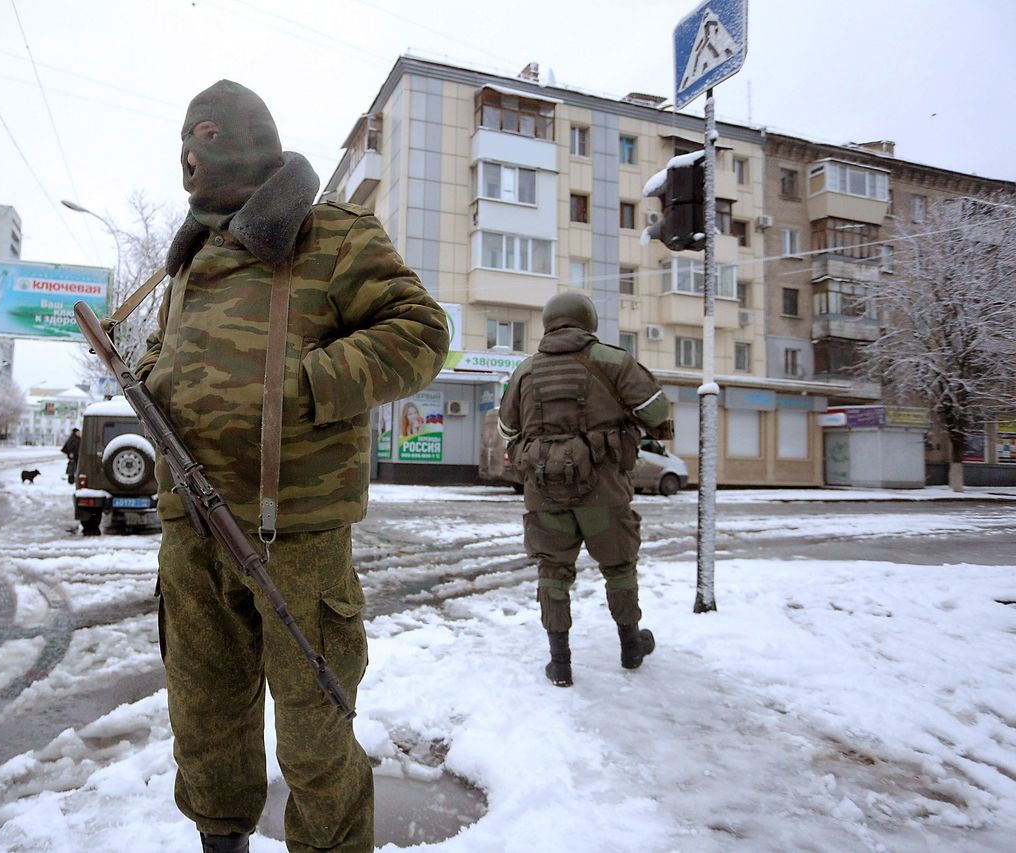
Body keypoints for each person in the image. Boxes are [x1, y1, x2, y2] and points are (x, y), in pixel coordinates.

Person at [134, 80, 448, 853]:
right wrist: (148, 377)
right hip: (191, 529)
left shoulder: (332, 234)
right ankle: (221, 840)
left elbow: (420, 331)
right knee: (204, 718)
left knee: (314, 731)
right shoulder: (189, 259)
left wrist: (303, 386)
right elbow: (164, 354)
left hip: (295, 538)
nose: (191, 168)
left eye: (200, 148)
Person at [498, 291, 671, 688]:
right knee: (619, 567)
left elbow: (508, 429)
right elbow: (658, 416)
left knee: (553, 572)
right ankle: (631, 646)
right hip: (604, 492)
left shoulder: (526, 371)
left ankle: (560, 664)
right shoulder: (613, 360)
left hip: (544, 492)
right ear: (588, 321)